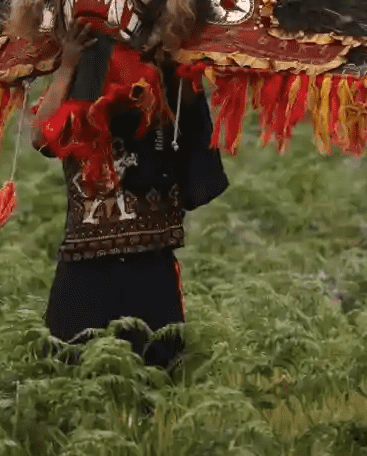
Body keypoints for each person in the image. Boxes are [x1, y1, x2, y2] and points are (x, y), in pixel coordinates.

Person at [33, 23, 228, 369]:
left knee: (155, 368)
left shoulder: (159, 90)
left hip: (148, 256)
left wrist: (174, 55)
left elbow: (189, 109)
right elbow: (42, 138)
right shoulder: (80, 99)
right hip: (85, 258)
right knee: (69, 365)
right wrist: (67, 66)